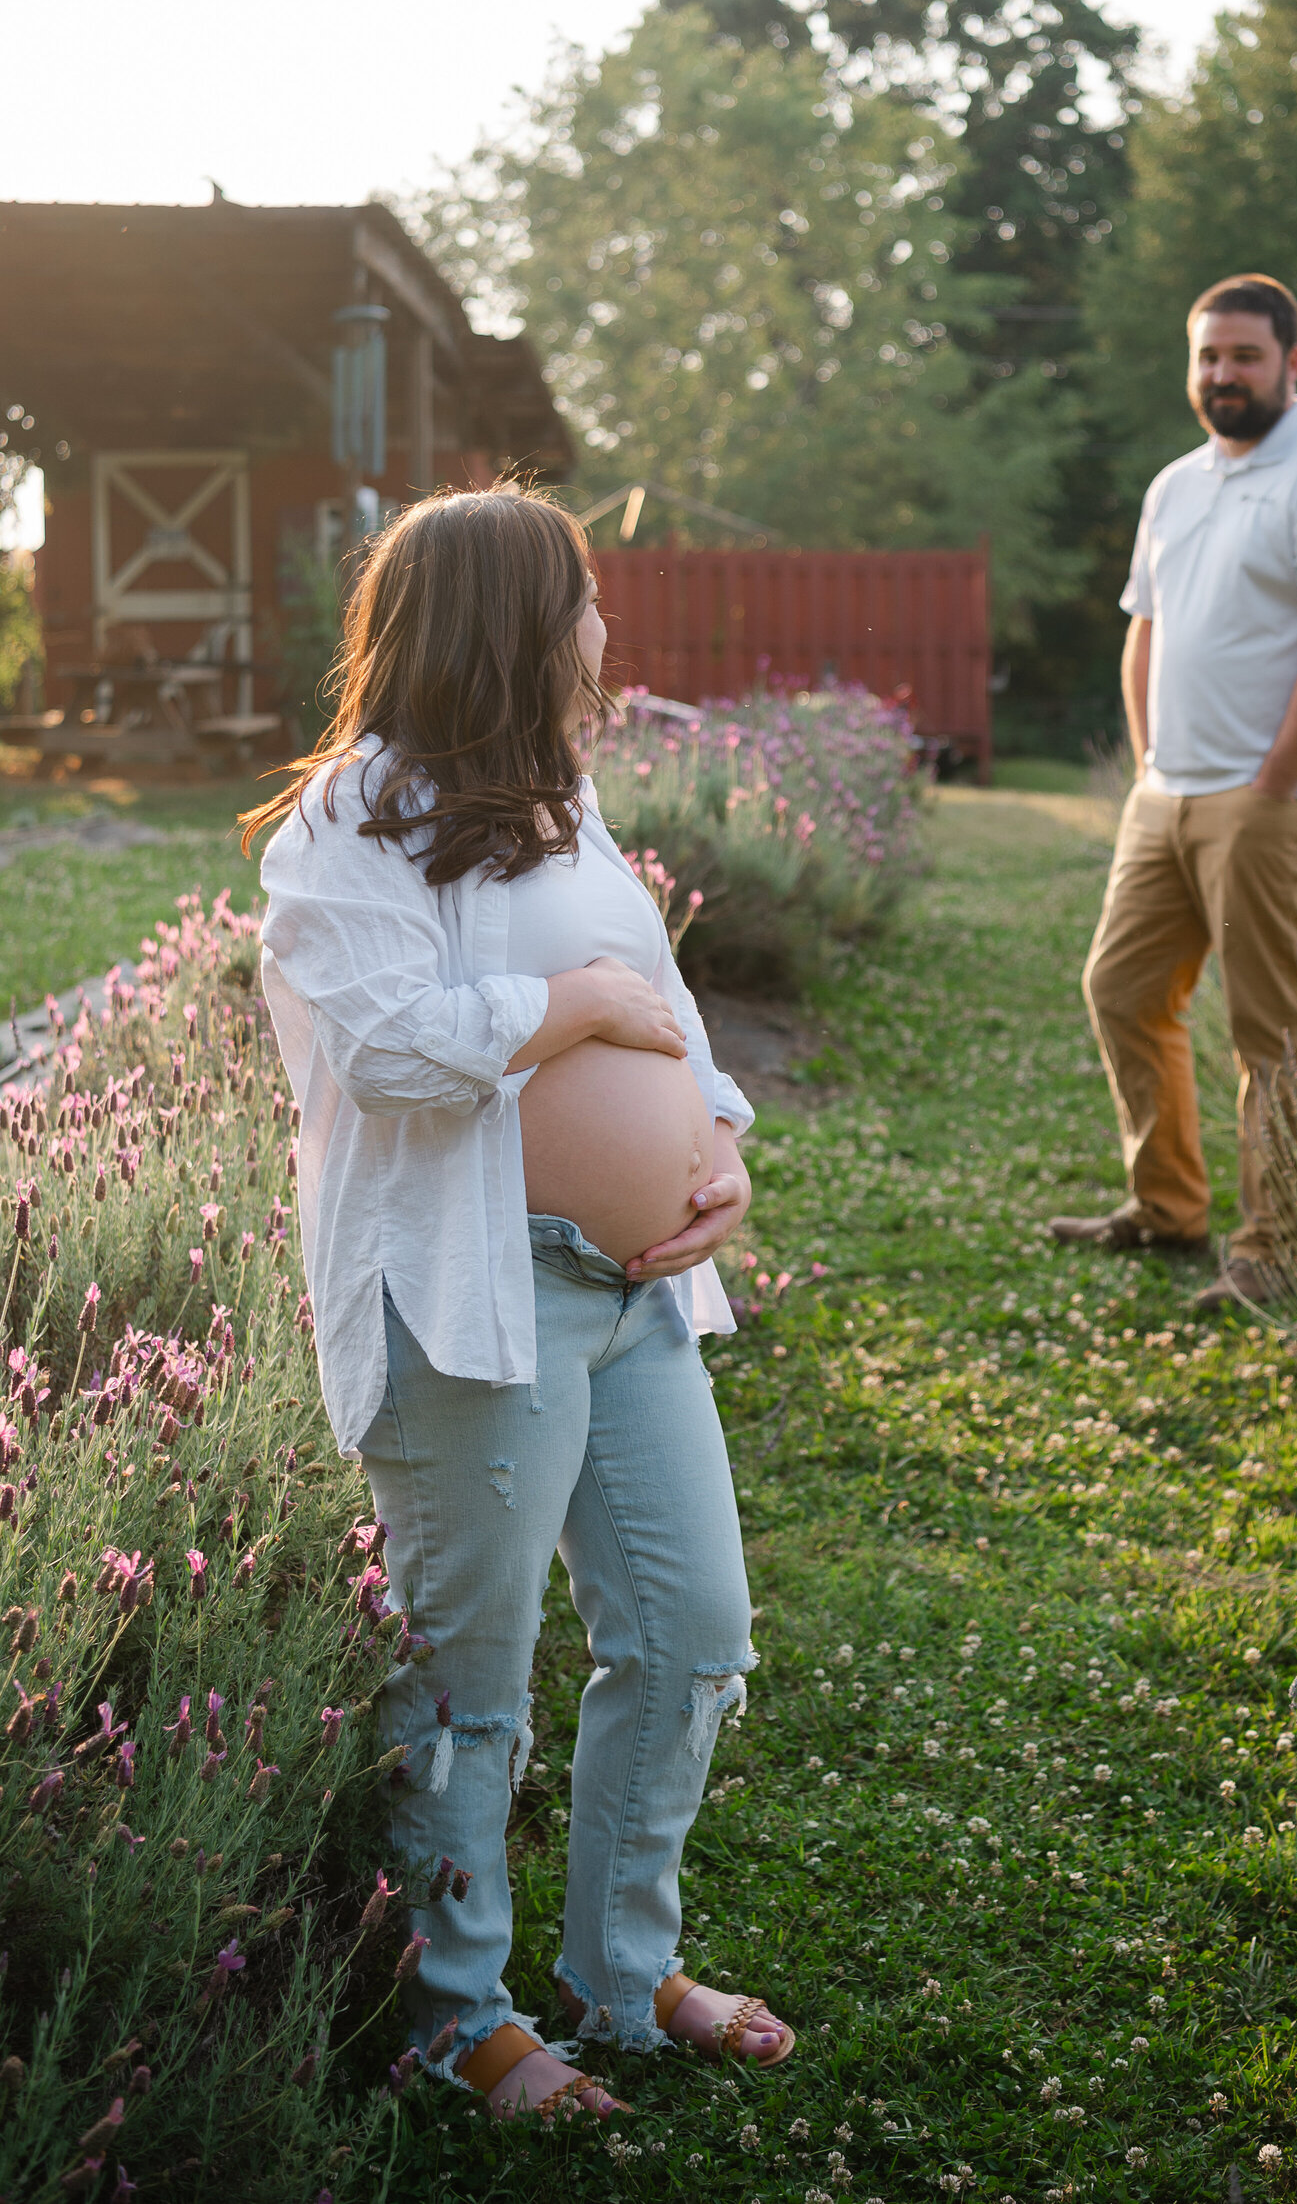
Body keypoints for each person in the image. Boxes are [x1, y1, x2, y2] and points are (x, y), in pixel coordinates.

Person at [244, 488, 795, 2123]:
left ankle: (624, 1977)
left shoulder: (566, 800)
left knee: (691, 1637)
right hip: (472, 1301)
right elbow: (391, 1048)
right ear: (507, 624)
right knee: (471, 1686)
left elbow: (666, 1004)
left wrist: (719, 1155)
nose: (604, 631)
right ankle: (456, 2017)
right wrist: (578, 1007)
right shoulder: (346, 821)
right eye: (584, 601)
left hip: (634, 1307)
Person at [1050, 275, 1297, 1310]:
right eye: (1208, 356)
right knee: (1120, 990)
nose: (1222, 374)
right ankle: (1168, 1209)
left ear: (1293, 363)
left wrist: (1273, 781)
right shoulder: (1176, 485)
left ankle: (1276, 1251)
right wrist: (1152, 761)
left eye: (1244, 355)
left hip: (1274, 801)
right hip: (1168, 794)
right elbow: (1144, 631)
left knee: (1269, 1029)